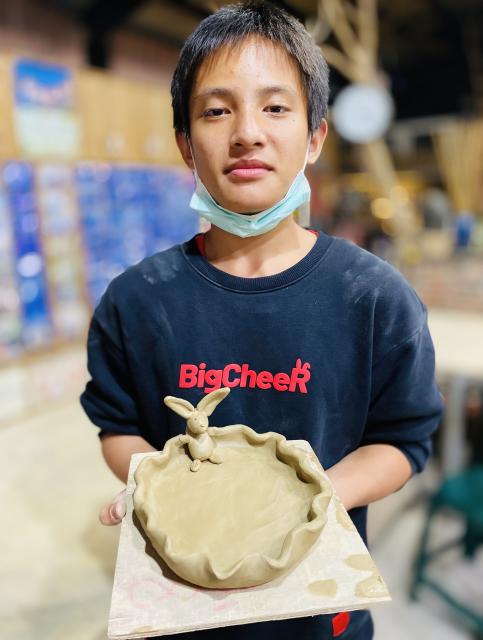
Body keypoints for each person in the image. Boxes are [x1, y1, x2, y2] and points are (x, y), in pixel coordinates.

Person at [80, 2, 443, 638]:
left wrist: (306, 498)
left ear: (315, 137)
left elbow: (403, 439)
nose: (247, 132)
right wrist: (155, 483)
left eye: (275, 107)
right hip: (183, 609)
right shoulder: (136, 300)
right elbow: (118, 426)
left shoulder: (375, 298)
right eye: (216, 111)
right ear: (186, 144)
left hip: (319, 616)